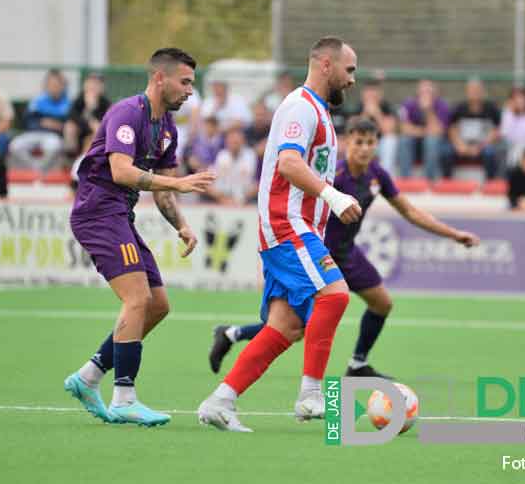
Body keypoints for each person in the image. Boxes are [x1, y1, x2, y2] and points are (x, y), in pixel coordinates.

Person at [207, 117, 479, 378]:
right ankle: (232, 334)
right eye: (359, 142)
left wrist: (453, 234)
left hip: (347, 254)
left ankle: (358, 364)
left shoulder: (377, 175)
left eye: (370, 142)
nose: (364, 148)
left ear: (377, 145)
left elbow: (409, 211)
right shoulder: (333, 176)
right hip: (318, 256)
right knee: (291, 327)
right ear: (348, 142)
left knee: (382, 303)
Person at [197, 36, 361, 433]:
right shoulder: (299, 107)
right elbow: (288, 163)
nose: (353, 80)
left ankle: (219, 402)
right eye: (350, 70)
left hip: (299, 228)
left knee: (286, 327)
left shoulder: (318, 112)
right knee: (335, 295)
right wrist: (334, 195)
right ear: (325, 64)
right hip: (286, 224)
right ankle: (310, 395)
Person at [63, 48, 216, 427]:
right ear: (159, 78)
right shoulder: (127, 113)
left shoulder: (168, 129)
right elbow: (120, 171)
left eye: (192, 84)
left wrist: (180, 224)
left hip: (119, 214)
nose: (190, 91)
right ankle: (124, 398)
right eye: (185, 82)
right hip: (97, 211)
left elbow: (163, 192)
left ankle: (88, 377)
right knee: (137, 298)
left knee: (158, 304)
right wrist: (177, 182)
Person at [9, 69, 70, 171]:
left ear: (62, 86)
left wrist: (54, 125)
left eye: (57, 84)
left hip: (52, 136)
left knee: (53, 147)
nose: (54, 87)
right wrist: (44, 123)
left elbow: (66, 125)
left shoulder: (67, 103)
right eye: (51, 84)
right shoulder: (38, 101)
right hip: (33, 133)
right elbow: (28, 122)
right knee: (15, 146)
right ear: (46, 85)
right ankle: (35, 170)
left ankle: (38, 172)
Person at [447, 78, 505, 178]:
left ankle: (490, 182)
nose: (474, 93)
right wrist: (460, 145)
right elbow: (452, 129)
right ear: (467, 92)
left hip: (485, 144)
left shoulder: (492, 108)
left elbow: (498, 130)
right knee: (446, 152)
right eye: (472, 90)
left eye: (477, 90)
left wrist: (480, 146)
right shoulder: (459, 108)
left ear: (482, 91)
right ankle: (447, 181)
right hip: (463, 144)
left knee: (490, 153)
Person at [397, 79, 451, 179]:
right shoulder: (408, 104)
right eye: (423, 92)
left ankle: (429, 180)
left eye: (428, 92)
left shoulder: (442, 105)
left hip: (436, 143)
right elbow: (404, 129)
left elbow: (438, 131)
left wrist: (428, 110)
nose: (425, 95)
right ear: (417, 92)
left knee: (431, 141)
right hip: (415, 141)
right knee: (404, 140)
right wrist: (425, 131)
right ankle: (405, 179)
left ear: (435, 93)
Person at [64, 73, 112, 158]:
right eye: (90, 83)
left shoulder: (106, 104)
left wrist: (91, 110)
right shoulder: (78, 100)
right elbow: (72, 117)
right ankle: (69, 156)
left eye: (96, 84)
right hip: (80, 131)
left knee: (96, 131)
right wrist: (88, 112)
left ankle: (84, 159)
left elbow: (102, 126)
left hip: (95, 137)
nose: (92, 87)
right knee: (70, 127)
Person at [207, 128, 258, 205]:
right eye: (232, 141)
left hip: (246, 198)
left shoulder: (251, 155)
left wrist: (241, 199)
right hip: (221, 197)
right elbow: (209, 181)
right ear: (226, 142)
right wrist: (222, 199)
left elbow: (259, 182)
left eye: (237, 141)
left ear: (243, 141)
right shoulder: (220, 155)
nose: (234, 143)